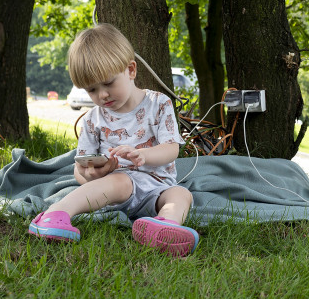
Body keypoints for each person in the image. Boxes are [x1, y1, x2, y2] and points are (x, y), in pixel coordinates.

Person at [28, 24, 199, 256]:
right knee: (120, 181)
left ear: (130, 70)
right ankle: (56, 214)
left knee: (181, 195)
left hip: (158, 187)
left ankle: (165, 225)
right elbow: (81, 167)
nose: (102, 95)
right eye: (91, 90)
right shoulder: (93, 119)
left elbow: (171, 148)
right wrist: (89, 176)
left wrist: (144, 155)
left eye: (108, 83)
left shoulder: (159, 104)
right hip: (117, 188)